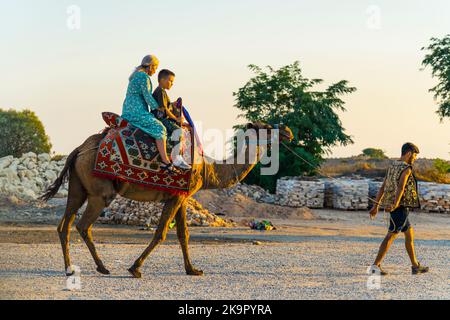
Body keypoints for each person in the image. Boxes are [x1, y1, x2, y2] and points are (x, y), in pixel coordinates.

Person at [369, 142, 429, 275]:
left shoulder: (392, 165)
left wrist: (376, 205)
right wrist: (396, 204)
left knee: (409, 233)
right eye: (414, 155)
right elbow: (401, 187)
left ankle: (415, 266)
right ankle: (375, 266)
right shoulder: (406, 168)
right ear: (408, 153)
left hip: (396, 206)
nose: (415, 158)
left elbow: (383, 187)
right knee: (390, 236)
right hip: (399, 208)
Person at [121, 55, 184, 173]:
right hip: (137, 111)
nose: (155, 71)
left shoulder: (136, 75)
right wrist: (159, 108)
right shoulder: (143, 77)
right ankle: (166, 162)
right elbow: (148, 96)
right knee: (160, 128)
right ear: (151, 66)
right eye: (155, 68)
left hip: (130, 108)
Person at [152, 69, 191, 169]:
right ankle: (176, 158)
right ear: (162, 80)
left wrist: (173, 104)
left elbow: (167, 105)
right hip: (161, 119)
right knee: (178, 131)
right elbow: (164, 109)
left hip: (163, 117)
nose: (172, 84)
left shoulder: (163, 92)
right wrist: (176, 118)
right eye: (170, 81)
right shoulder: (160, 91)